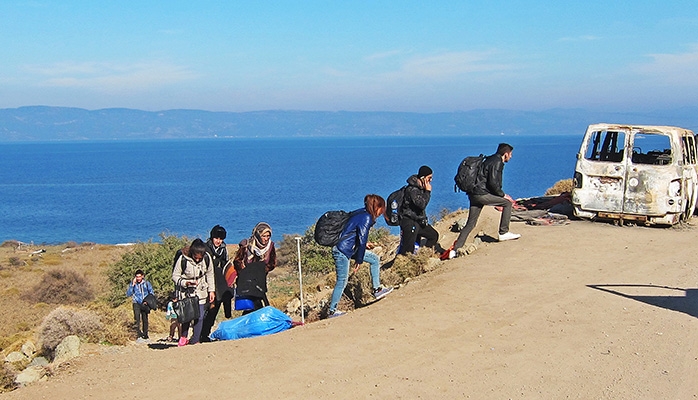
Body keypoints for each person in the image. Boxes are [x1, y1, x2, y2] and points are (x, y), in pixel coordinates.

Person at [328, 194, 394, 318]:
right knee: (342, 281)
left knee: (374, 259)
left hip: (348, 248)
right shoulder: (367, 217)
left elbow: (354, 234)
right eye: (382, 208)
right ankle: (332, 311)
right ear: (377, 207)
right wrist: (359, 260)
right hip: (343, 251)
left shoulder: (361, 213)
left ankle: (377, 289)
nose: (382, 211)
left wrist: (363, 247)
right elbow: (362, 240)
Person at [451, 143, 520, 257]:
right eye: (510, 154)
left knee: (471, 223)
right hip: (481, 194)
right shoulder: (497, 162)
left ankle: (455, 250)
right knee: (507, 203)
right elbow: (493, 183)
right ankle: (503, 232)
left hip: (474, 194)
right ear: (505, 154)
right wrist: (502, 195)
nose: (511, 157)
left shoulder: (488, 159)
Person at [172, 238, 215, 346]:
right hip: (186, 292)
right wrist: (185, 283)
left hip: (201, 291)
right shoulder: (183, 259)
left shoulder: (207, 258)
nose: (197, 260)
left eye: (199, 258)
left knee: (199, 316)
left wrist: (211, 291)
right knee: (187, 315)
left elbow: (210, 274)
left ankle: (195, 340)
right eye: (196, 258)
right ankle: (183, 337)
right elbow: (175, 276)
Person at [398, 165, 444, 256]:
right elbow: (421, 205)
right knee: (408, 250)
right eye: (429, 178)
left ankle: (424, 255)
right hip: (409, 222)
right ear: (423, 178)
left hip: (418, 221)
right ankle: (405, 266)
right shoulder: (412, 190)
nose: (430, 180)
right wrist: (428, 192)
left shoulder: (420, 188)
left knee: (433, 235)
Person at [233, 222, 276, 314]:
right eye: (264, 236)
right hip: (246, 282)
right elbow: (237, 261)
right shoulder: (246, 246)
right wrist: (245, 273)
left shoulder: (270, 247)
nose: (266, 239)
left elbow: (272, 263)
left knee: (257, 304)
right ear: (258, 235)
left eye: (268, 236)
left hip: (259, 281)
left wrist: (262, 270)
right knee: (251, 305)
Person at [199, 225, 232, 342]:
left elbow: (225, 265)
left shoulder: (223, 249)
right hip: (205, 283)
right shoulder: (204, 248)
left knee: (214, 309)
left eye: (221, 238)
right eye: (216, 238)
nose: (218, 241)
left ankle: (205, 334)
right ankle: (198, 334)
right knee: (204, 310)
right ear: (212, 237)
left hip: (218, 283)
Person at [125, 269, 154, 340]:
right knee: (136, 319)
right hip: (136, 302)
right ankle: (137, 334)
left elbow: (151, 293)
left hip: (145, 303)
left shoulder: (147, 283)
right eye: (137, 277)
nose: (138, 278)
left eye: (139, 276)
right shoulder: (133, 284)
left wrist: (147, 301)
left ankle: (145, 334)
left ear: (142, 276)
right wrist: (132, 285)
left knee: (145, 318)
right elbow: (128, 294)